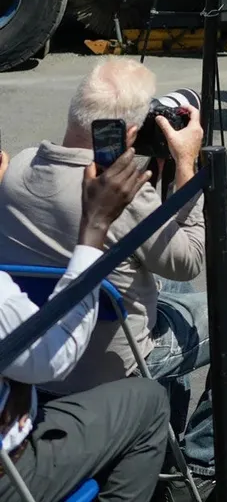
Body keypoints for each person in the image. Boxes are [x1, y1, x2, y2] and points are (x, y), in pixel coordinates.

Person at [0, 59, 227, 496]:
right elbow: (188, 258)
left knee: (169, 284)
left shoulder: (18, 167)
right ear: (130, 132)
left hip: (33, 345)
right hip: (112, 356)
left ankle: (161, 434)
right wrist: (186, 165)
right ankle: (202, 461)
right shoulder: (126, 197)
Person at [0, 145, 169, 502]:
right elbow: (53, 358)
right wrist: (95, 224)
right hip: (11, 468)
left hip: (31, 399)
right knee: (150, 400)